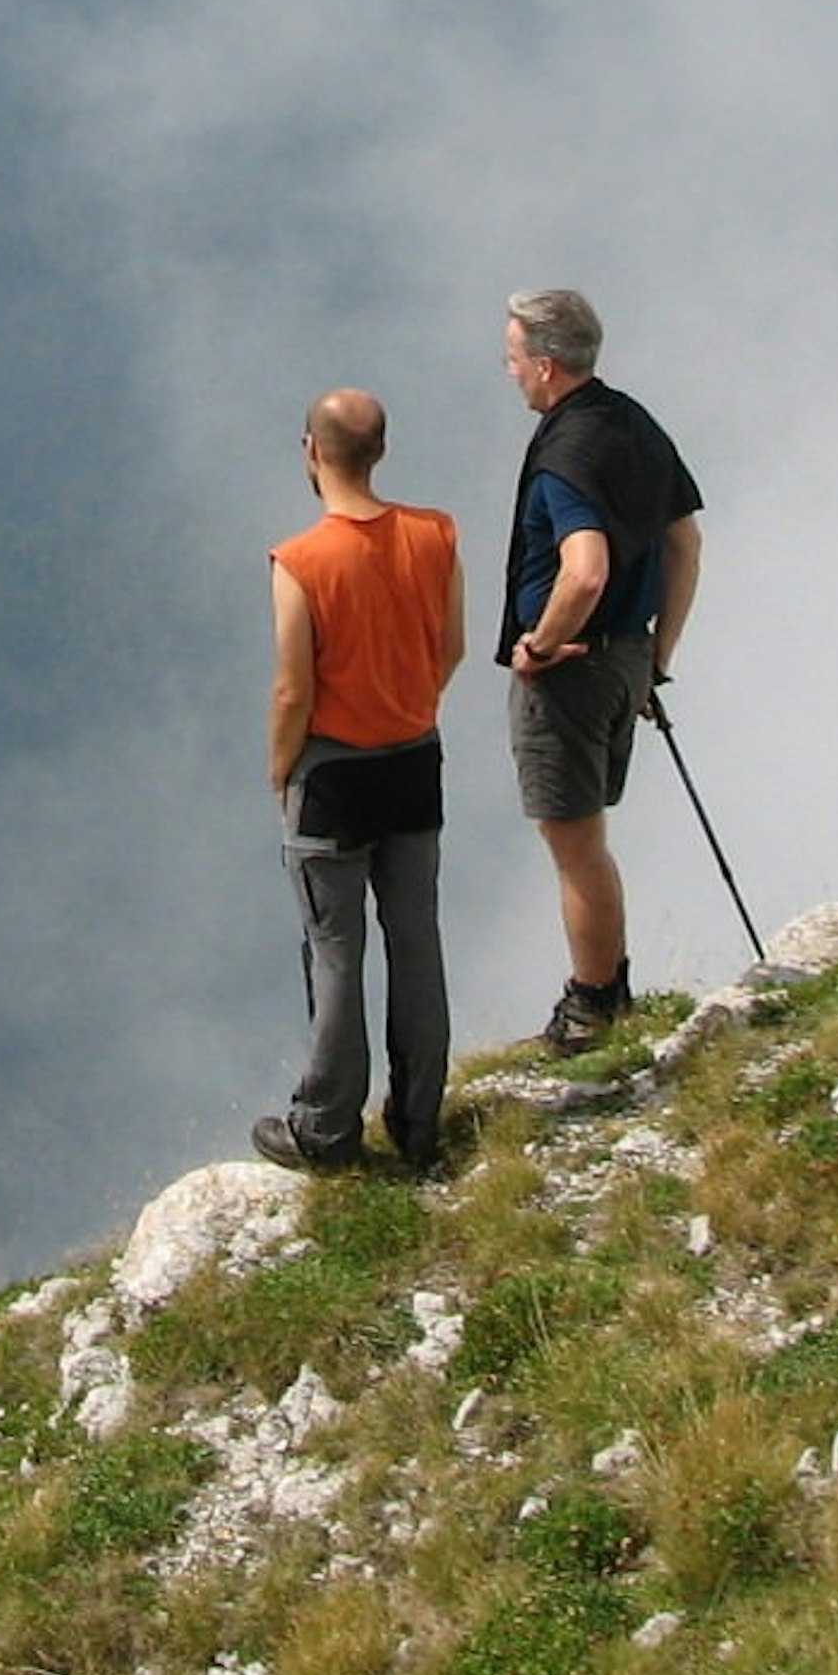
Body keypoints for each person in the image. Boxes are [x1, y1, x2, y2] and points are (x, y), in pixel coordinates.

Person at [256, 387, 463, 1175]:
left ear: (312, 451)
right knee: (416, 940)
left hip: (333, 773)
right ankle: (419, 1121)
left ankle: (327, 1128)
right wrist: (408, 704)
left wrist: (282, 767)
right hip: (415, 757)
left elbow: (292, 690)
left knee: (336, 948)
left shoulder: (299, 563)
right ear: (380, 450)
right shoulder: (436, 534)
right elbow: (451, 645)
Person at [496, 287, 705, 1054]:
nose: (509, 368)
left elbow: (583, 571)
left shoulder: (565, 452)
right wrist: (657, 657)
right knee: (588, 836)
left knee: (573, 841)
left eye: (515, 356)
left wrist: (541, 647)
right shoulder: (633, 422)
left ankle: (593, 1005)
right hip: (627, 660)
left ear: (545, 366)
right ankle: (604, 988)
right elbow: (684, 543)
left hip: (573, 674)